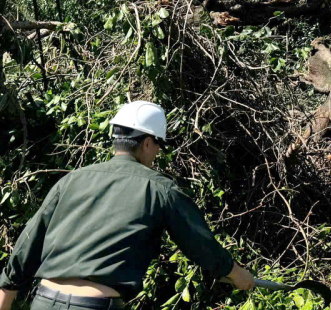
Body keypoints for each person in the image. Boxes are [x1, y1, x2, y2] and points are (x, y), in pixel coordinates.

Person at [0, 101, 256, 310]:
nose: (156, 155)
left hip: (44, 300)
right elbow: (201, 245)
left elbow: (30, 239)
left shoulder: (72, 180)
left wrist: (7, 293)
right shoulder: (160, 189)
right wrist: (236, 274)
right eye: (158, 146)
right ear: (147, 142)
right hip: (95, 305)